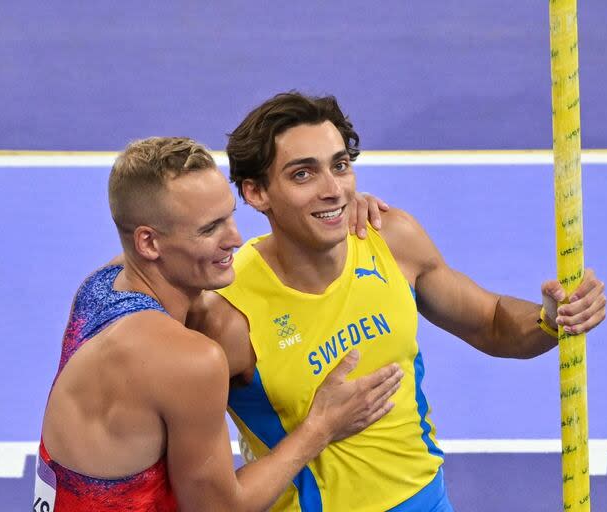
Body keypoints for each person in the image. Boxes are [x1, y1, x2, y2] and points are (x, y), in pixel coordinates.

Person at [186, 92, 607, 511]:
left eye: (340, 166)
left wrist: (551, 319)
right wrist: (319, 429)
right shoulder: (224, 316)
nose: (334, 190)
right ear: (256, 193)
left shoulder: (391, 240)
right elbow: (210, 501)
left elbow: (491, 323)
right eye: (303, 175)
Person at [33, 136, 404, 512]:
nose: (235, 238)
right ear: (148, 243)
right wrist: (321, 426)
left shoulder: (101, 286)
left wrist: (334, 211)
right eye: (210, 229)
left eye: (229, 215)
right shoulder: (189, 360)